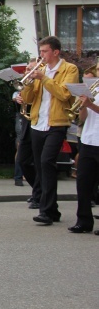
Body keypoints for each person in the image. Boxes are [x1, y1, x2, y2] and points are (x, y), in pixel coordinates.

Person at [21, 36, 78, 226]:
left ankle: (45, 211)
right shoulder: (41, 70)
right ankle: (52, 210)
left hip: (57, 123)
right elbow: (29, 99)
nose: (41, 55)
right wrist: (28, 82)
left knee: (47, 162)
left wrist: (43, 78)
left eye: (45, 51)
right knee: (40, 166)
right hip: (38, 123)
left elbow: (64, 94)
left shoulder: (69, 69)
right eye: (41, 51)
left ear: (55, 52)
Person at [68, 93, 99, 234]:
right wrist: (82, 106)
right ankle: (84, 221)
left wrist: (90, 105)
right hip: (88, 140)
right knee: (83, 182)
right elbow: (83, 119)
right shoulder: (94, 90)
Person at [15, 59, 40, 205]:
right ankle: (38, 190)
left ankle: (38, 194)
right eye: (27, 69)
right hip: (27, 124)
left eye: (31, 69)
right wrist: (20, 97)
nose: (28, 72)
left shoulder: (40, 82)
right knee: (23, 161)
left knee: (39, 162)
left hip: (40, 122)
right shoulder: (27, 83)